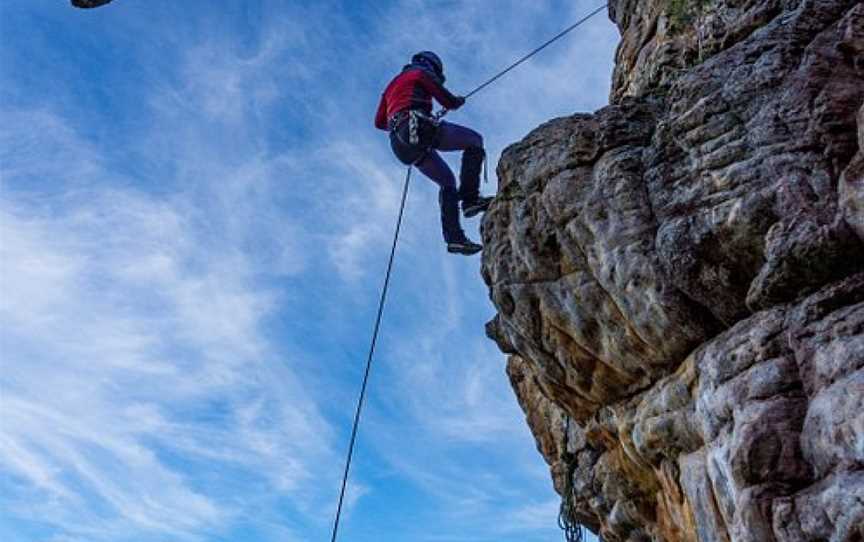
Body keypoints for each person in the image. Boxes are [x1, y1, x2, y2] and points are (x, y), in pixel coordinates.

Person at [375, 51, 493, 255]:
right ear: (432, 66)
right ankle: (470, 200)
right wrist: (455, 101)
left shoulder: (390, 87)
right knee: (474, 141)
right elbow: (448, 101)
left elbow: (379, 122)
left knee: (447, 182)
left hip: (400, 144)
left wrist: (399, 121)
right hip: (417, 125)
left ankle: (455, 239)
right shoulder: (419, 73)